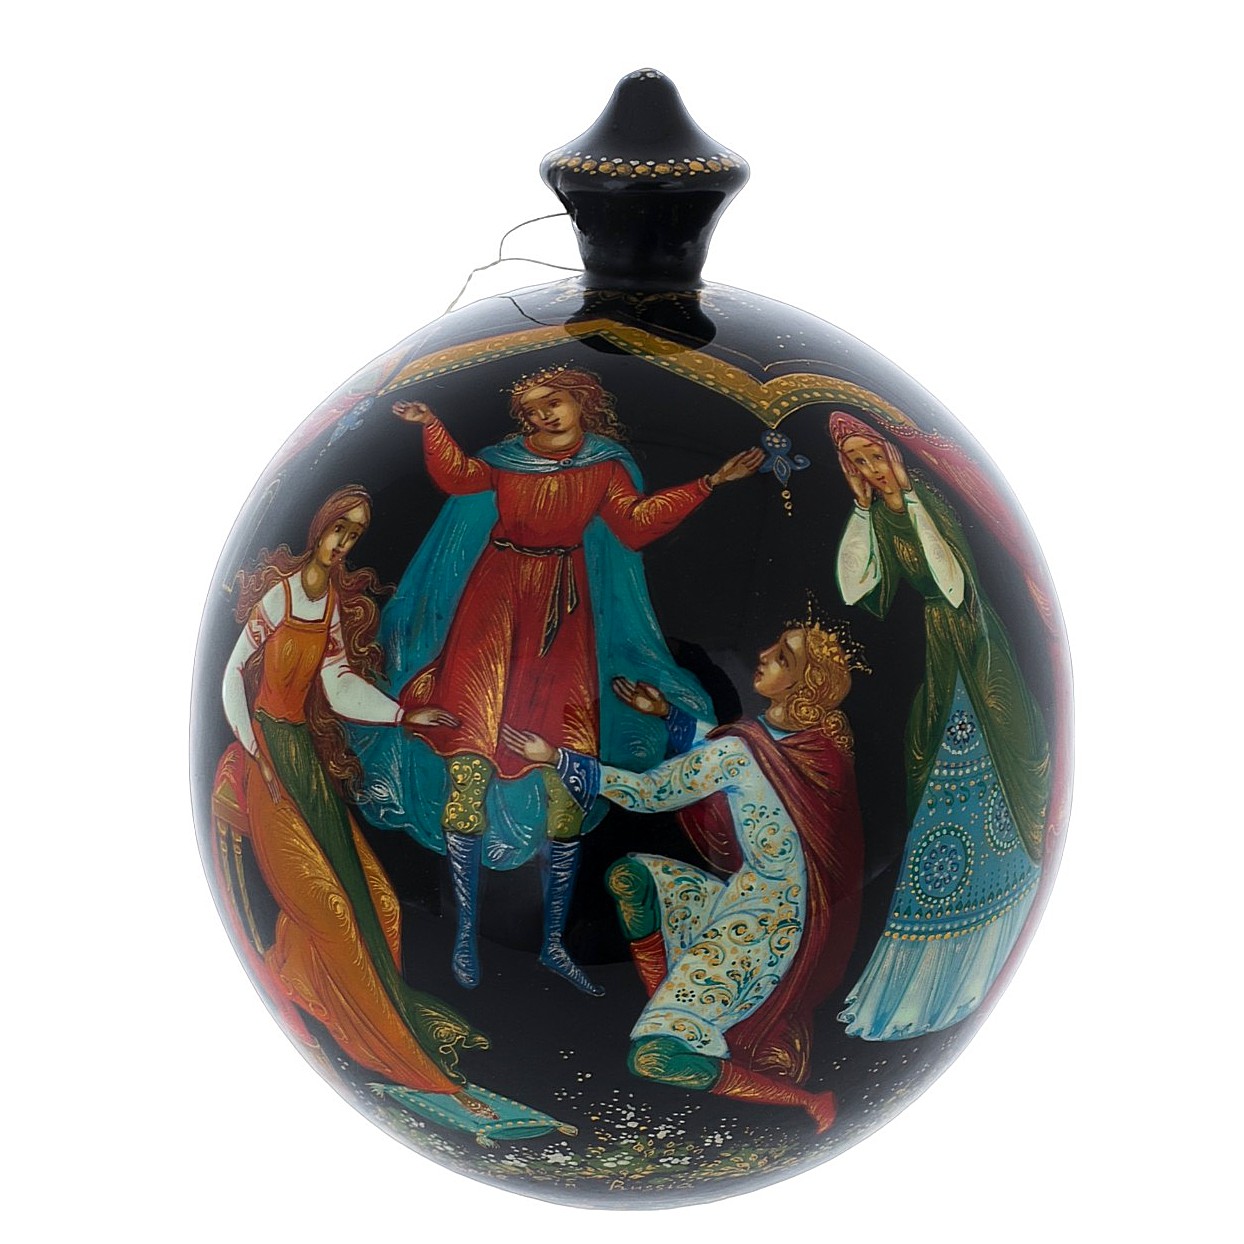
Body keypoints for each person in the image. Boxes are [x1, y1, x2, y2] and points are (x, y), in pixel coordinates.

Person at [351, 367, 763, 995]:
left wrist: (709, 482)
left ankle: (551, 942)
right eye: (532, 408)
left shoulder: (604, 466)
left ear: (583, 402)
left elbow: (633, 523)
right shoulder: (506, 461)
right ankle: (464, 934)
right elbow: (458, 477)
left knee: (564, 782)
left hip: (563, 624)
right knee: (470, 766)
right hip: (491, 613)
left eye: (555, 402)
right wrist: (431, 425)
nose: (543, 415)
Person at [502, 622, 866, 1134]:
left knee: (653, 1059)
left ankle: (805, 1102)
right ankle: (671, 1005)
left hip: (760, 931)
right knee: (632, 877)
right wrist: (669, 716)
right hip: (751, 900)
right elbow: (742, 754)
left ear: (801, 686)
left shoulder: (746, 751)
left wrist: (557, 758)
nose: (762, 653)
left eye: (782, 657)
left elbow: (651, 792)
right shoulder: (808, 746)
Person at [216, 486, 492, 1114]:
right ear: (319, 526)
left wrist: (402, 715)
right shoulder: (280, 598)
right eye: (340, 528)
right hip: (270, 757)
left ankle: (370, 1012)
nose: (344, 543)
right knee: (335, 915)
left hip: (304, 761)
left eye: (355, 534)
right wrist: (255, 752)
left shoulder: (331, 606)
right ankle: (397, 1055)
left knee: (383, 904)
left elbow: (337, 684)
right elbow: (234, 674)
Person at [829, 410, 1050, 1039]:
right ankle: (929, 954)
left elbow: (953, 587)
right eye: (859, 463)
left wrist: (910, 499)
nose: (871, 470)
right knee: (930, 762)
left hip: (977, 647)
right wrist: (864, 509)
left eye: (876, 457)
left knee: (992, 754)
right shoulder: (881, 514)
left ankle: (988, 917)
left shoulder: (930, 503)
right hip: (939, 650)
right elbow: (853, 586)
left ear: (895, 456)